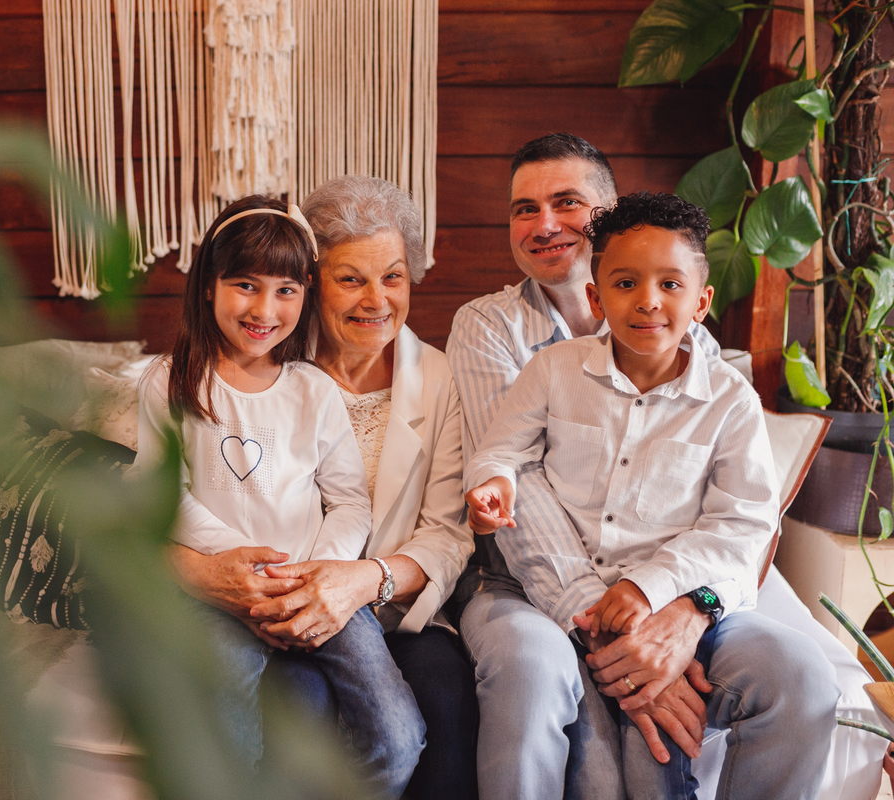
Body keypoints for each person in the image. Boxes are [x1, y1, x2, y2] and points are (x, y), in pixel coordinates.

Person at [463, 192, 838, 798]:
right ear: (595, 297)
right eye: (626, 282)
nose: (648, 300)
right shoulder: (553, 371)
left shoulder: (729, 399)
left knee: (804, 678)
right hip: (548, 596)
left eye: (670, 283)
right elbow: (501, 452)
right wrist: (495, 484)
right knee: (596, 746)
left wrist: (654, 591)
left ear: (702, 301)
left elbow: (742, 526)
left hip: (681, 600)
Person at [135, 195, 425, 798]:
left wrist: (310, 574)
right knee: (221, 707)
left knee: (399, 732)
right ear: (208, 286)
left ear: (307, 295)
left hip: (315, 585)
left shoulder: (311, 390)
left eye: (286, 290)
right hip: (222, 593)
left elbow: (348, 501)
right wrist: (243, 567)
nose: (265, 308)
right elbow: (162, 492)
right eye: (245, 285)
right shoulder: (169, 382)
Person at [247, 175, 477, 799]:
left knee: (448, 697)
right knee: (300, 702)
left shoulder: (438, 375)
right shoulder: (267, 370)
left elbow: (448, 534)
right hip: (285, 614)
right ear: (313, 279)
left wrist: (365, 579)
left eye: (394, 276)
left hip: (396, 609)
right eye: (352, 278)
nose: (378, 299)